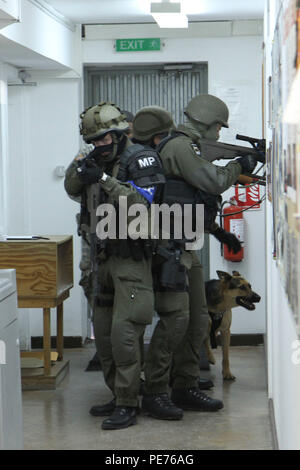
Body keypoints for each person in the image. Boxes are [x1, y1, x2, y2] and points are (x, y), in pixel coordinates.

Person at [131, 98, 257, 420]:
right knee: (176, 319)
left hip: (188, 242)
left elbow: (197, 197)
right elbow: (212, 181)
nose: (219, 131)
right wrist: (238, 167)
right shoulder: (182, 147)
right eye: (219, 125)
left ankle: (185, 385)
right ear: (207, 121)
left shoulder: (188, 147)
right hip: (168, 245)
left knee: (199, 318)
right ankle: (156, 389)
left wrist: (218, 231)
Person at [64, 102, 162, 430]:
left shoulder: (141, 159)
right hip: (100, 258)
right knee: (104, 336)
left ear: (119, 134)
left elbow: (143, 204)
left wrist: (104, 178)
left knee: (124, 334)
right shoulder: (93, 156)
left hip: (131, 258)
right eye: (93, 141)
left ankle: (128, 402)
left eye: (104, 140)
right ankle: (118, 392)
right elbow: (71, 189)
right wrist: (81, 166)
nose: (99, 146)